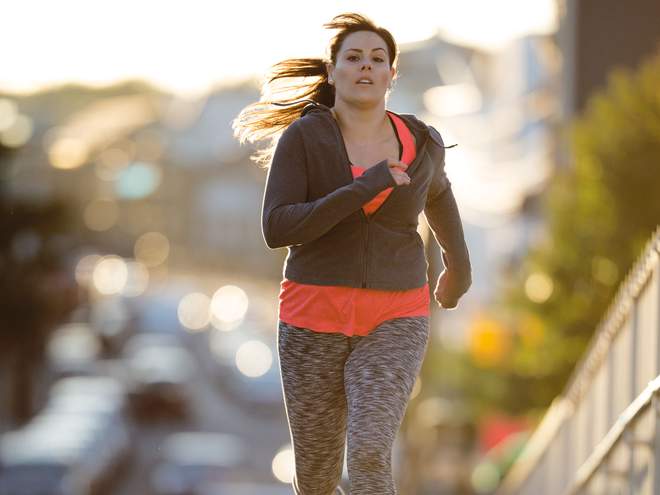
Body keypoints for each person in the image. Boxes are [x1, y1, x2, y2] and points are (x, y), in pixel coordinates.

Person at [232, 12, 472, 495]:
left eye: (377, 59)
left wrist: (458, 265)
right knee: (318, 478)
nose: (366, 66)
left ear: (391, 74)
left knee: (367, 452)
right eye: (354, 57)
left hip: (396, 314)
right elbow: (277, 228)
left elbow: (438, 194)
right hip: (312, 318)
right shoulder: (304, 138)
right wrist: (364, 188)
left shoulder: (421, 141)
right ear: (333, 70)